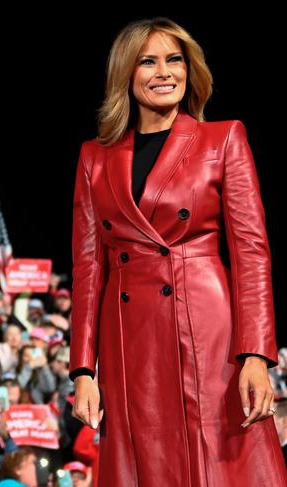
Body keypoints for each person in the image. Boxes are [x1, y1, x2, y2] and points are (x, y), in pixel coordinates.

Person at [69, 17, 287, 486]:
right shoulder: (94, 156)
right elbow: (88, 268)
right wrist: (83, 370)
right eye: (147, 61)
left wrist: (255, 354)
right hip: (128, 338)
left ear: (190, 71)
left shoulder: (223, 138)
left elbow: (251, 253)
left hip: (210, 332)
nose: (163, 72)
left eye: (174, 60)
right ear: (125, 74)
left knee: (219, 457)